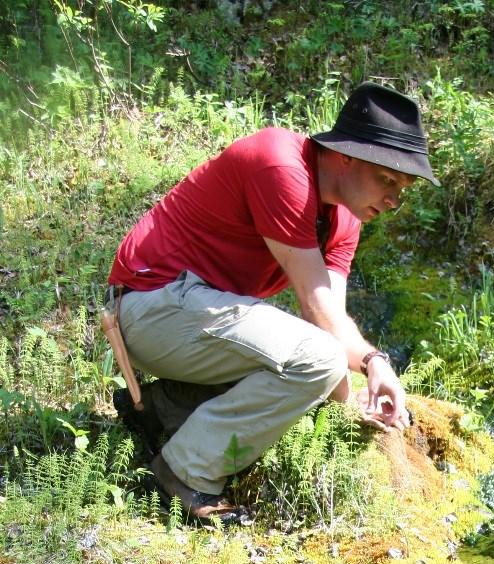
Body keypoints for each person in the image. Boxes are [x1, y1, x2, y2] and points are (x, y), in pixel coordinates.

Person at [107, 82, 438, 519]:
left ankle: (164, 410)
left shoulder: (344, 220)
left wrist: (357, 384)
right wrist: (369, 367)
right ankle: (184, 472)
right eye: (387, 179)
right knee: (317, 361)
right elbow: (318, 314)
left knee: (316, 364)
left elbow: (329, 318)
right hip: (151, 307)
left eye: (404, 187)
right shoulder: (280, 165)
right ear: (345, 156)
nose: (394, 199)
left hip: (192, 315)